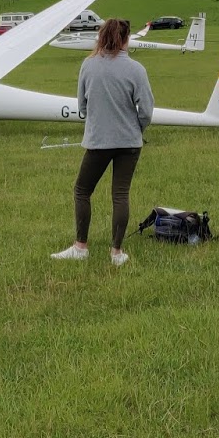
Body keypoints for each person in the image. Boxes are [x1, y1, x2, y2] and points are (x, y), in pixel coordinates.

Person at [52, 19, 154, 266]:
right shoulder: (136, 69)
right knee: (120, 195)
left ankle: (81, 246)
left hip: (98, 141)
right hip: (129, 142)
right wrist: (136, 128)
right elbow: (147, 110)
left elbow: (82, 106)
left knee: (82, 191)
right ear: (125, 40)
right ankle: (116, 252)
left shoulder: (88, 65)